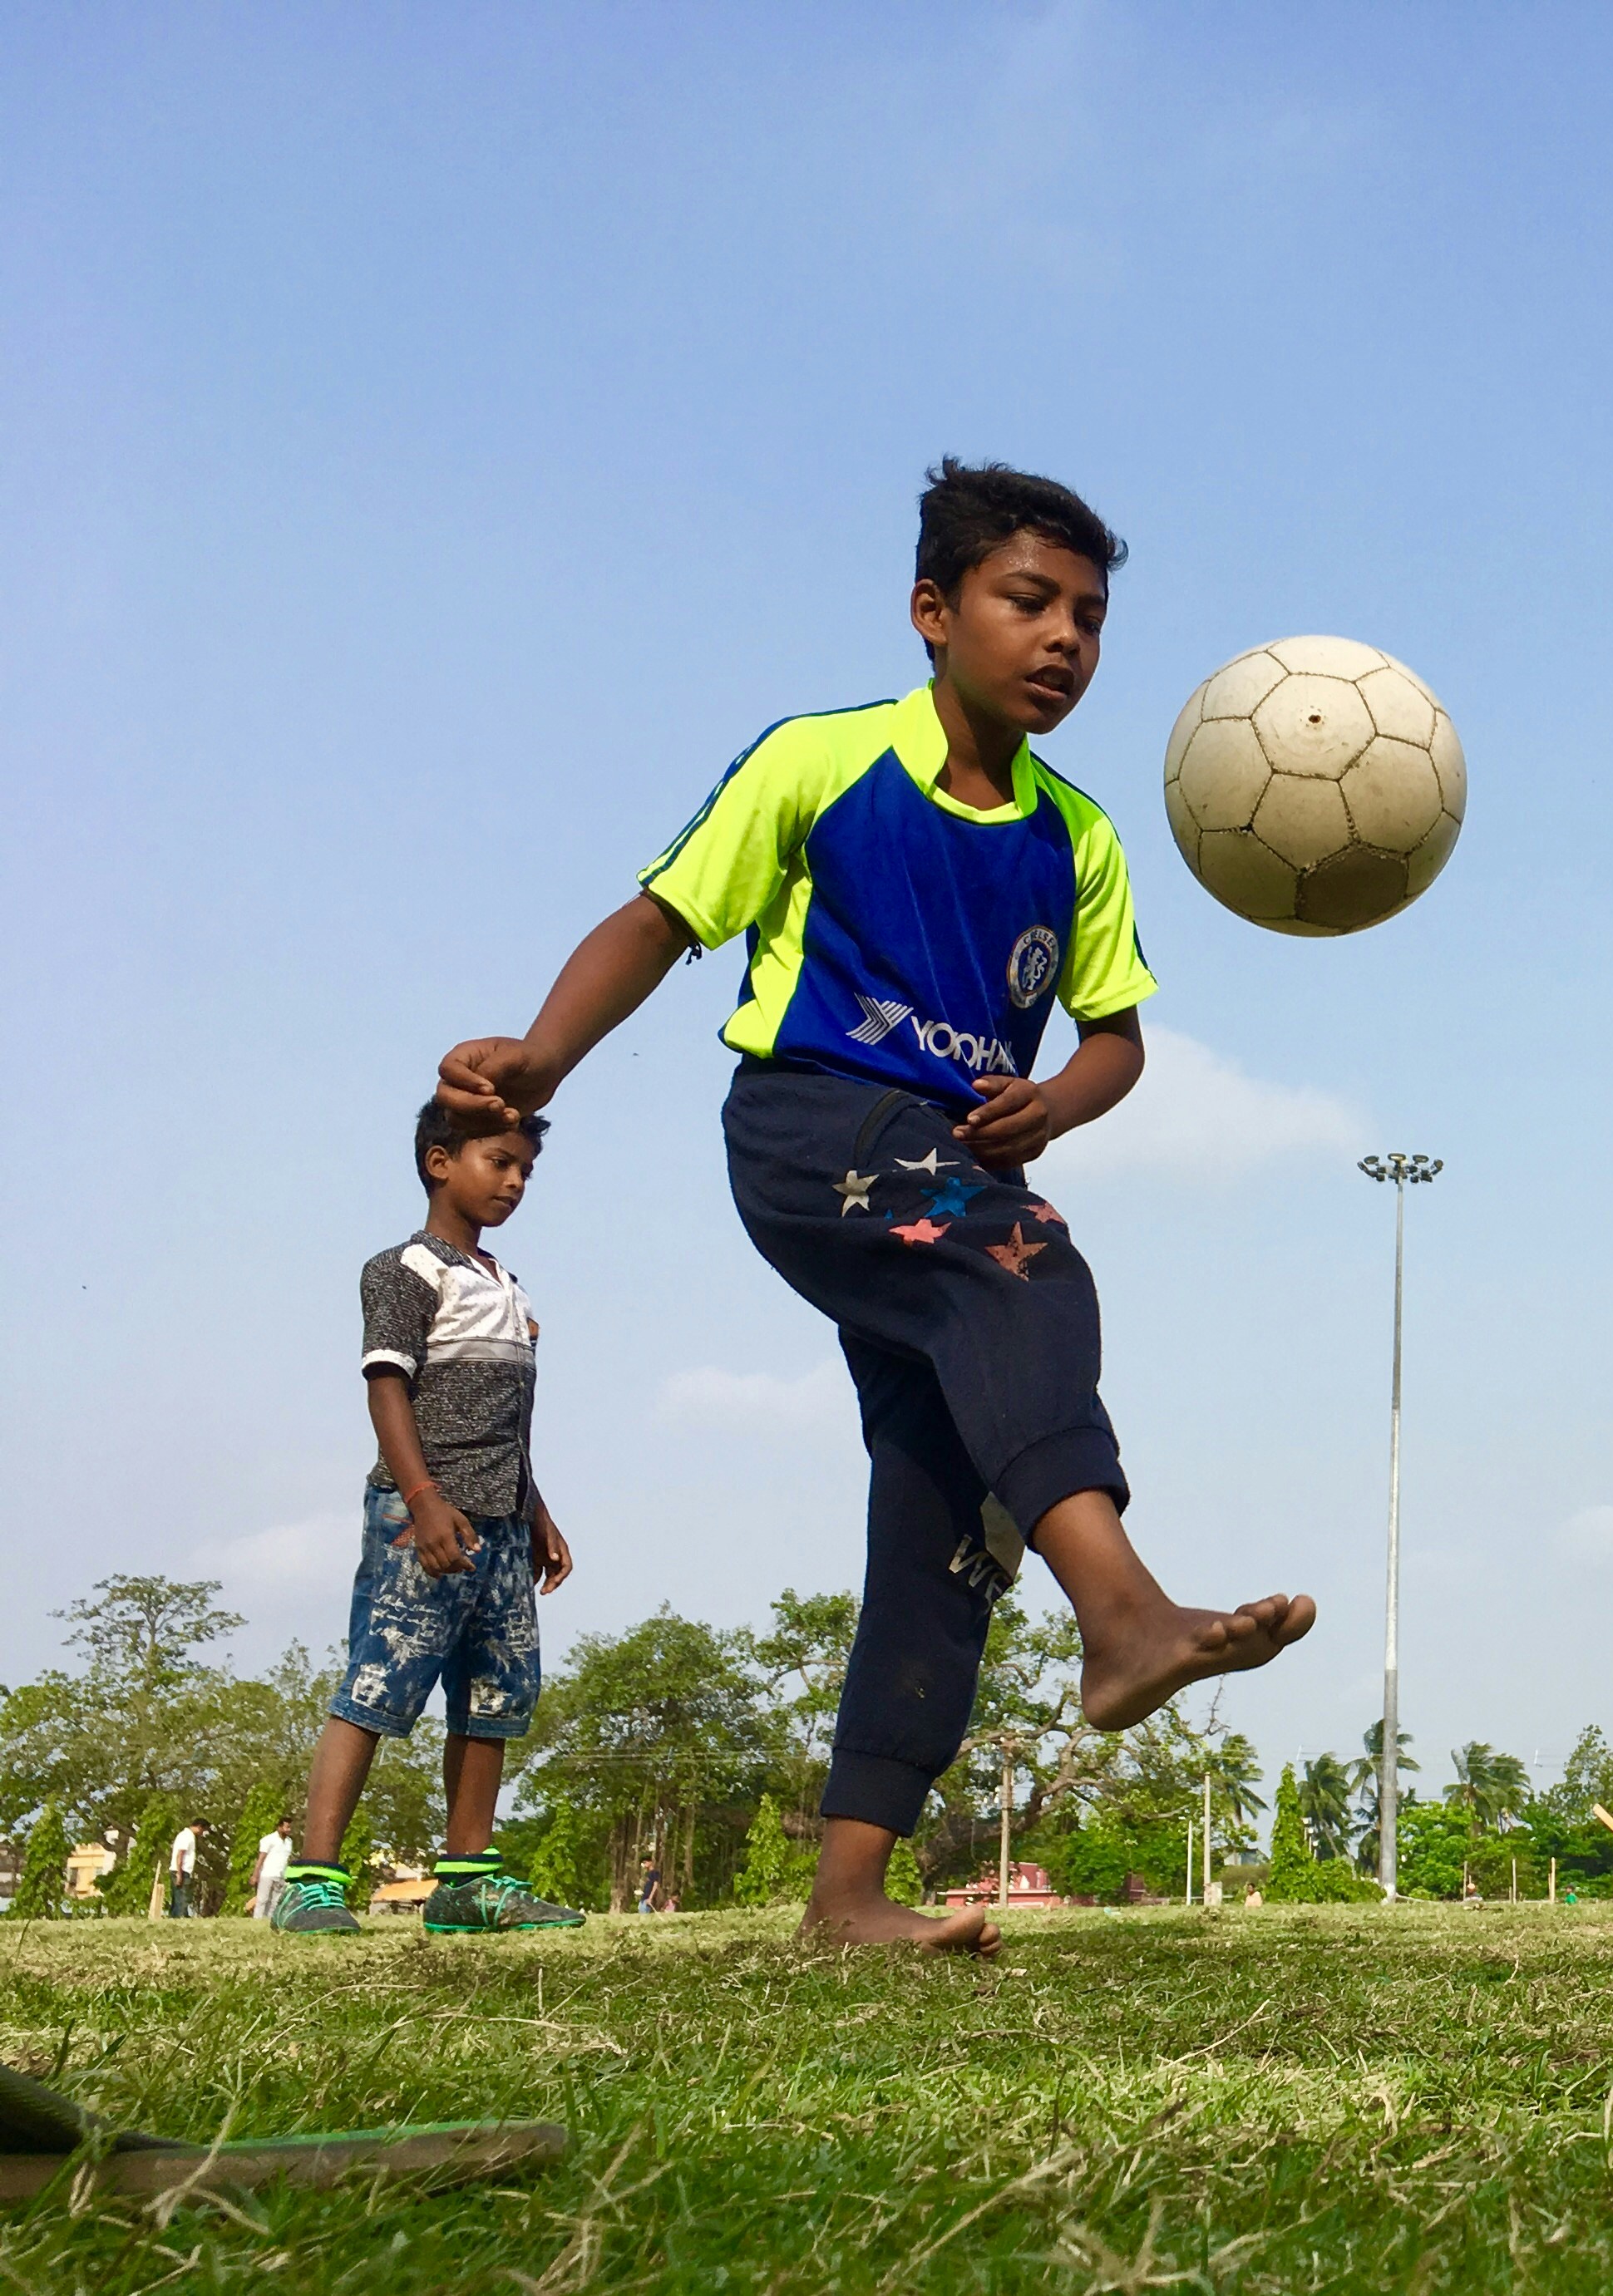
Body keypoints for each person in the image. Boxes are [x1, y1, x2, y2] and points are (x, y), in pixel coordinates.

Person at [432, 461, 1315, 1955]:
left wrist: (1060, 1100)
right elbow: (660, 917)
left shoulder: (1079, 838)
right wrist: (541, 1057)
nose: (1065, 638)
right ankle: (1122, 1614)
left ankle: (847, 1894)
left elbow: (1115, 1038)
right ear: (932, 610)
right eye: (1028, 600)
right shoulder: (822, 760)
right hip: (815, 1126)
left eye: (1090, 617)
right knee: (1033, 1270)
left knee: (948, 1509)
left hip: (960, 1174)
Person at [268, 1104, 587, 1939]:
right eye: (500, 1161)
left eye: (526, 1170)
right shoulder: (405, 1268)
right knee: (379, 1681)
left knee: (495, 1694)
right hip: (426, 1519)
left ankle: (466, 1881)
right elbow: (387, 1388)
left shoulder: (507, 1284)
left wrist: (537, 1510)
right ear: (440, 1161)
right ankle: (311, 1880)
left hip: (501, 1523)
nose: (515, 1181)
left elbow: (507, 1421)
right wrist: (422, 1498)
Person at [155, 1821, 204, 1919]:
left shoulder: (185, 1835)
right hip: (181, 1870)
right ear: (199, 1827)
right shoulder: (187, 1836)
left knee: (177, 1897)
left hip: (181, 1870)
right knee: (182, 1897)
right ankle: (181, 1916)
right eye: (202, 1830)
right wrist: (179, 1873)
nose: (202, 1833)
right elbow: (180, 1855)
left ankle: (175, 1916)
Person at [250, 1816, 295, 1921]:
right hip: (268, 1873)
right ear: (279, 1827)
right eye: (287, 1827)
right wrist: (255, 1875)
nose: (289, 1830)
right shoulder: (268, 1840)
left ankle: (269, 1921)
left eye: (290, 1827)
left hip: (281, 1874)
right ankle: (257, 1921)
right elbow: (261, 1859)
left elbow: (287, 1859)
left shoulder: (289, 1841)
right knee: (262, 1900)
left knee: (275, 1901)